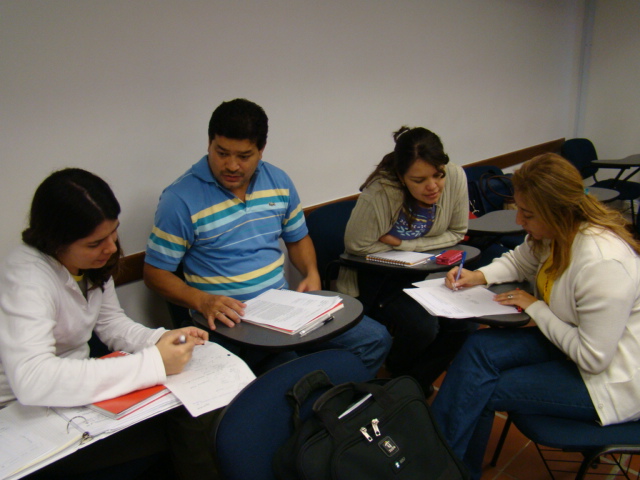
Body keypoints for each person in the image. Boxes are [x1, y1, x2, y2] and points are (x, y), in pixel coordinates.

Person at [143, 98, 391, 375]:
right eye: (222, 153)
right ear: (209, 144)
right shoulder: (179, 199)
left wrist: (311, 273)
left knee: (374, 339)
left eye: (244, 156)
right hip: (228, 321)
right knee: (290, 374)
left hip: (282, 307)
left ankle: (330, 401)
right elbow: (155, 273)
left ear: (261, 150)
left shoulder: (278, 181)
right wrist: (202, 301)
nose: (231, 165)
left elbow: (297, 238)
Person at [431, 153, 640, 479]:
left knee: (481, 389)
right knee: (479, 347)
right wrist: (480, 276)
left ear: (559, 211)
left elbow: (593, 358)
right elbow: (520, 259)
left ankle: (447, 470)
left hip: (611, 380)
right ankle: (439, 461)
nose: (519, 221)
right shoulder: (555, 234)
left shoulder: (602, 263)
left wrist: (535, 307)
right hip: (570, 340)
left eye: (527, 214)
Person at [0, 168, 218, 480]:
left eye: (114, 232)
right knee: (178, 431)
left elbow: (112, 323)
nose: (112, 248)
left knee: (191, 413)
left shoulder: (88, 262)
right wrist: (153, 363)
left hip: (76, 398)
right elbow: (33, 380)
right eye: (95, 243)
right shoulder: (26, 277)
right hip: (22, 416)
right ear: (55, 241)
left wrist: (161, 340)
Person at [336, 126, 475, 393]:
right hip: (380, 277)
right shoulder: (381, 192)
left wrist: (404, 244)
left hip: (427, 271)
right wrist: (418, 249)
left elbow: (457, 232)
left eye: (438, 175)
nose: (432, 187)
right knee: (423, 326)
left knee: (466, 323)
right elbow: (357, 246)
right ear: (401, 177)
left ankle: (412, 383)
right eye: (419, 180)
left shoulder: (456, 177)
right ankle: (400, 373)